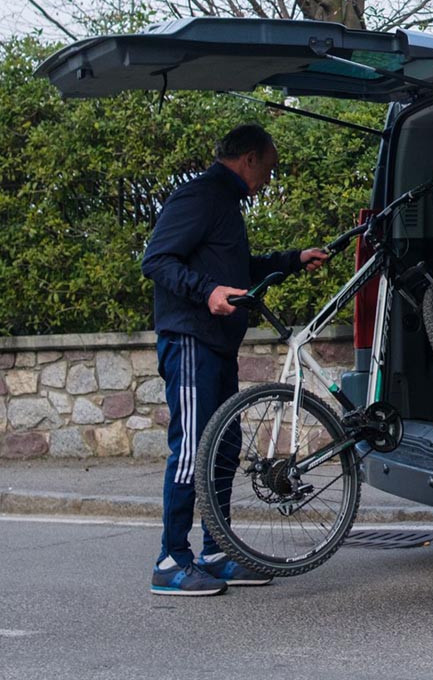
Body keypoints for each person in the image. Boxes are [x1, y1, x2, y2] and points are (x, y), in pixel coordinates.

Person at [142, 123, 329, 597]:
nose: (269, 178)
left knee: (222, 449)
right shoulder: (201, 195)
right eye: (268, 167)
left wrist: (291, 259)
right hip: (190, 338)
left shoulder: (223, 203)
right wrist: (206, 293)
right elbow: (157, 260)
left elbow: (235, 271)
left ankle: (217, 551)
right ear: (248, 159)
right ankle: (170, 560)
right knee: (191, 449)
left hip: (217, 344)